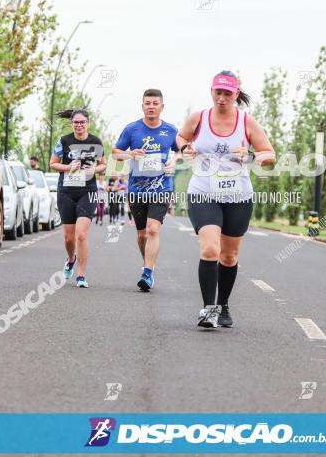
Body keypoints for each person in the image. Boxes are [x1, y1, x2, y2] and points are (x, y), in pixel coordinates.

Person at [176, 71, 275, 328]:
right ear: (211, 91)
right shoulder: (199, 118)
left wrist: (251, 156)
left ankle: (223, 305)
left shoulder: (246, 122)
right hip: (203, 192)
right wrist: (185, 149)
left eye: (227, 93)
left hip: (237, 195)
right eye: (218, 92)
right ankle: (208, 309)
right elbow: (181, 138)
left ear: (236, 94)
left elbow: (269, 155)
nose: (222, 98)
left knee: (229, 256)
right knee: (210, 248)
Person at [112, 89, 179, 292]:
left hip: (162, 187)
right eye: (147, 103)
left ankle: (147, 273)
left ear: (162, 106)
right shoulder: (132, 129)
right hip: (137, 189)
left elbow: (184, 151)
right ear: (142, 106)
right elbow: (115, 153)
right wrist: (130, 154)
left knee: (153, 229)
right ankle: (147, 264)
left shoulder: (171, 130)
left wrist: (174, 160)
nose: (151, 106)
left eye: (155, 103)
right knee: (142, 234)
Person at [49, 108, 106, 288]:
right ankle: (71, 259)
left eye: (82, 122)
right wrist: (68, 167)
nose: (79, 125)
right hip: (66, 190)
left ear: (88, 123)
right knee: (69, 238)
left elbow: (103, 165)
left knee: (81, 234)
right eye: (76, 122)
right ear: (72, 123)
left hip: (87, 191)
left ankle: (81, 275)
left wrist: (93, 170)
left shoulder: (95, 142)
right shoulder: (63, 141)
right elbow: (53, 164)